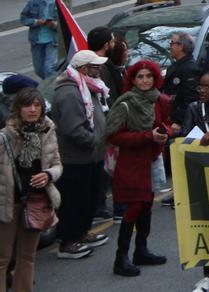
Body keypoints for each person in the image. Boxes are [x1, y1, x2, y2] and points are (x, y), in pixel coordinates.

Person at [105, 59, 177, 277]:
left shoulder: (160, 100)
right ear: (133, 80)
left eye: (149, 76)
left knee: (146, 205)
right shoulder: (125, 103)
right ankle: (121, 257)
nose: (145, 81)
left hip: (153, 159)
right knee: (134, 206)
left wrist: (166, 133)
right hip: (132, 163)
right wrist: (148, 136)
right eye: (140, 77)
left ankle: (141, 250)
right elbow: (114, 135)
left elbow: (166, 123)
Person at [0, 86, 60, 292]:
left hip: (35, 201)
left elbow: (57, 164)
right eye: (27, 106)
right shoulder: (5, 136)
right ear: (18, 108)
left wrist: (49, 175)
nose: (33, 110)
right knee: (3, 258)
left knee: (27, 257)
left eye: (37, 105)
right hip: (8, 202)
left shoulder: (47, 130)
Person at [51, 48, 109, 259]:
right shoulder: (69, 93)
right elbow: (73, 129)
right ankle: (68, 242)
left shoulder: (86, 87)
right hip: (76, 159)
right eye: (95, 66)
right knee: (74, 202)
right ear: (84, 69)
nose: (99, 70)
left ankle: (82, 233)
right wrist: (95, 142)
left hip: (91, 157)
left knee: (89, 199)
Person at [19, 0, 60, 78]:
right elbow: (23, 18)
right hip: (36, 40)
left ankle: (51, 86)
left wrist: (54, 25)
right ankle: (50, 83)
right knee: (39, 70)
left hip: (53, 40)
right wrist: (36, 22)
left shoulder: (59, 2)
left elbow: (66, 22)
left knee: (49, 68)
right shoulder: (33, 2)